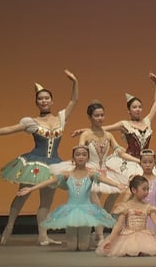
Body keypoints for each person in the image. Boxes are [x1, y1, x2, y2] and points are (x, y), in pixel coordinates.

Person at [0, 69, 79, 246]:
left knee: (46, 201)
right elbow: (11, 129)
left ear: (52, 101)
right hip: (35, 162)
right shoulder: (31, 122)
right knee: (22, 195)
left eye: (47, 98)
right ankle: (9, 226)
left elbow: (74, 100)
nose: (44, 101)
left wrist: (75, 82)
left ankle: (43, 236)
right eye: (40, 99)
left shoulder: (61, 118)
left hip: (54, 164)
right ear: (36, 102)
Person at [52, 101, 143, 242]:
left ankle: (98, 231)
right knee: (95, 204)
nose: (100, 118)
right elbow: (80, 152)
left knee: (109, 198)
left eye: (102, 115)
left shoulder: (108, 135)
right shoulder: (86, 135)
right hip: (89, 172)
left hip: (104, 171)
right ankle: (99, 235)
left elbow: (120, 152)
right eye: (96, 115)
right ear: (90, 117)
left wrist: (138, 160)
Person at [15, 145, 124, 251]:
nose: (81, 157)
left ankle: (88, 240)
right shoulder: (67, 174)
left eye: (84, 155)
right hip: (70, 211)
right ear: (73, 158)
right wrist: (31, 188)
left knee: (83, 247)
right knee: (72, 247)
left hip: (87, 211)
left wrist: (117, 185)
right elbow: (49, 181)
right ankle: (74, 240)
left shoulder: (91, 174)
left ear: (88, 158)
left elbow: (104, 179)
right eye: (78, 154)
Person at [72, 73, 156, 177]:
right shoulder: (125, 124)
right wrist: (84, 130)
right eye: (134, 107)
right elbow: (104, 128)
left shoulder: (147, 121)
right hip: (131, 161)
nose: (138, 109)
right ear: (129, 110)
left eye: (139, 107)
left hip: (146, 161)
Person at [96, 175, 156, 257]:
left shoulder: (148, 207)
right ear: (134, 190)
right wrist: (110, 240)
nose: (146, 192)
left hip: (145, 236)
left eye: (148, 189)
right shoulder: (126, 206)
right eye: (144, 189)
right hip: (128, 237)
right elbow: (118, 225)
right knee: (131, 249)